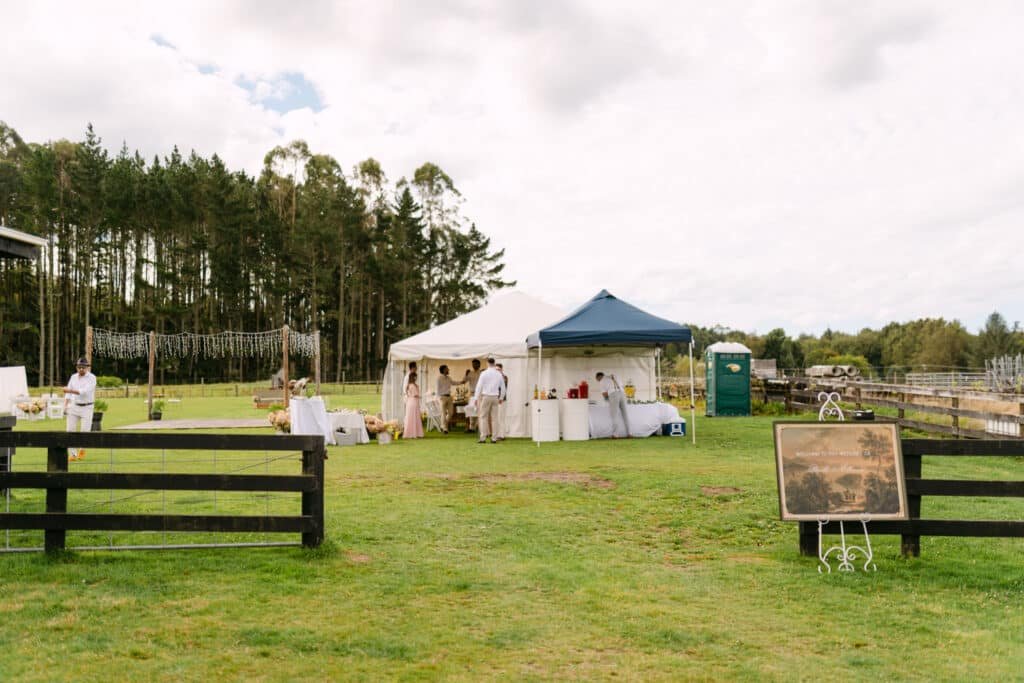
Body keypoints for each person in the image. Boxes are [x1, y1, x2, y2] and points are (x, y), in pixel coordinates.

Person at [63, 356, 97, 460]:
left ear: (87, 367)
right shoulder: (73, 377)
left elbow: (84, 391)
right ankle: (72, 454)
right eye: (79, 367)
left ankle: (82, 449)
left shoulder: (92, 378)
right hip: (74, 406)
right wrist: (65, 405)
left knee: (85, 430)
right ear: (76, 367)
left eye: (83, 367)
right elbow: (68, 393)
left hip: (87, 407)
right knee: (70, 430)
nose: (81, 369)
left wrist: (69, 391)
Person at [473, 358, 506, 444]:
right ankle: (494, 438)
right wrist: (501, 398)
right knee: (495, 418)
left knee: (483, 417)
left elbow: (479, 386)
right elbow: (503, 387)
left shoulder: (484, 373)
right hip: (495, 397)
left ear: (487, 363)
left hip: (486, 396)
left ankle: (483, 438)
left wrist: (476, 398)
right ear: (494, 363)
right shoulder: (498, 374)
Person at [597, 371, 631, 438]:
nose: (598, 381)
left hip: (613, 394)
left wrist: (607, 398)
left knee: (614, 415)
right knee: (625, 414)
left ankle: (615, 434)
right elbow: (622, 386)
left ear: (598, 377)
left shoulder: (602, 381)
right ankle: (629, 433)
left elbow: (605, 394)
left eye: (597, 379)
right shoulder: (615, 376)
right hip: (622, 393)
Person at [461, 359, 482, 432]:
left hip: (480, 394)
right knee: (471, 409)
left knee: (480, 410)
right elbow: (463, 381)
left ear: (479, 365)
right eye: (473, 364)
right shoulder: (470, 373)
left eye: (475, 364)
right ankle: (472, 427)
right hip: (472, 393)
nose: (474, 365)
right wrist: (466, 374)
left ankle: (480, 427)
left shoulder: (482, 373)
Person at [403, 371, 424, 439]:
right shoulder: (412, 385)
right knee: (414, 417)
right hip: (413, 402)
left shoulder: (409, 385)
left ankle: (411, 433)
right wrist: (421, 396)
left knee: (411, 418)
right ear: (414, 377)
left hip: (410, 402)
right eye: (415, 377)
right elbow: (415, 394)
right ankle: (415, 433)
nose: (416, 378)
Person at [436, 365, 454, 434]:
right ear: (443, 370)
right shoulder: (439, 378)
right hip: (442, 397)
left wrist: (462, 382)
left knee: (451, 413)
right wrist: (439, 397)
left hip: (449, 397)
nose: (448, 370)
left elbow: (454, 382)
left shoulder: (449, 378)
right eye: (447, 369)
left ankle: (443, 425)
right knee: (443, 413)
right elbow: (437, 389)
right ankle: (445, 428)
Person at [494, 362, 509, 441]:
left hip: (502, 400)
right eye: (496, 369)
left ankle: (502, 435)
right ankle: (498, 434)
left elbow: (503, 388)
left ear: (502, 369)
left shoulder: (504, 377)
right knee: (496, 418)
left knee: (501, 418)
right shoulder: (496, 377)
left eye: (499, 369)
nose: (497, 371)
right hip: (495, 399)